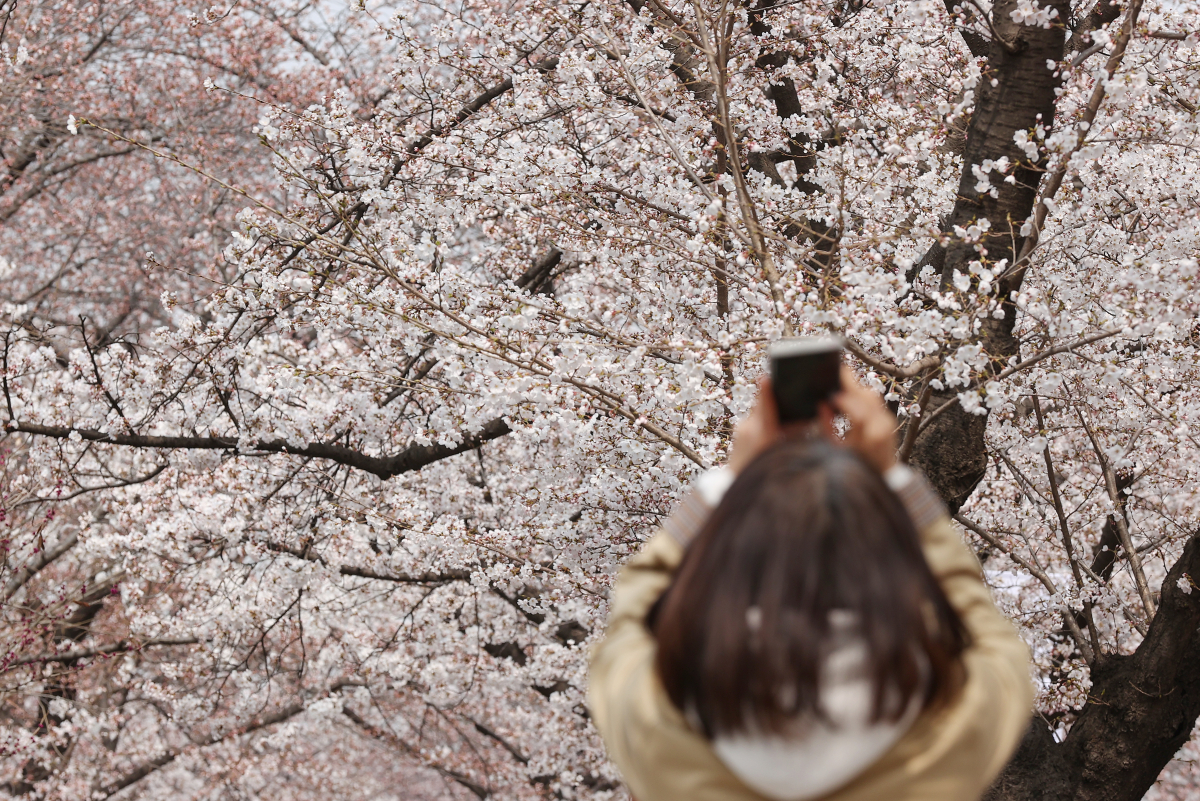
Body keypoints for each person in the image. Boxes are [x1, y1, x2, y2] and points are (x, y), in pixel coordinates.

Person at [588, 366, 1033, 801]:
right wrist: (893, 480)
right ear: (890, 569)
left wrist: (726, 481)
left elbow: (632, 611)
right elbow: (982, 626)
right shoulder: (954, 724)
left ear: (729, 567)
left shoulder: (655, 724)